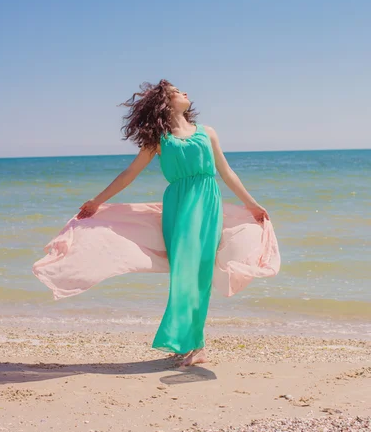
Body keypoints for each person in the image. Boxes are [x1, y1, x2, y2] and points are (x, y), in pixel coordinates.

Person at [76, 79, 269, 367]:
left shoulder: (208, 133)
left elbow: (226, 173)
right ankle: (189, 344)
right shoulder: (159, 139)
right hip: (179, 208)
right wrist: (97, 201)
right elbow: (129, 174)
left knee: (200, 274)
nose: (186, 93)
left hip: (207, 205)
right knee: (183, 274)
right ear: (165, 102)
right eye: (178, 91)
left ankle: (194, 344)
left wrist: (251, 204)